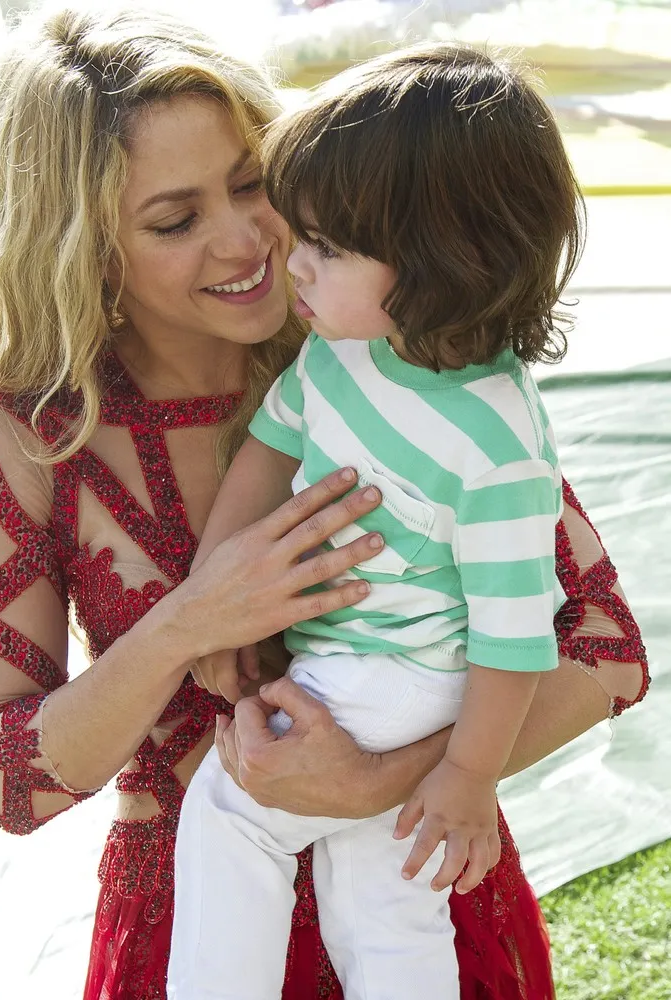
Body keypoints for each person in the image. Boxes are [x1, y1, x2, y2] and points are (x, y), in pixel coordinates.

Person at [0, 6, 649, 1000]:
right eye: (175, 221)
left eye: (251, 183)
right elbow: (9, 783)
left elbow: (604, 645)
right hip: (195, 934)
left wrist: (386, 780)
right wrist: (189, 623)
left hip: (424, 889)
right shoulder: (23, 439)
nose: (247, 242)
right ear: (84, 247)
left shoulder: (391, 342)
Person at [168, 44, 575, 1000]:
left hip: (403, 673)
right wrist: (214, 597)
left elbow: (515, 641)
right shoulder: (343, 351)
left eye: (329, 247)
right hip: (360, 663)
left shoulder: (496, 444)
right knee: (384, 897)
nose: (293, 264)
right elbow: (270, 448)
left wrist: (467, 776)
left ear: (447, 259)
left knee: (231, 813)